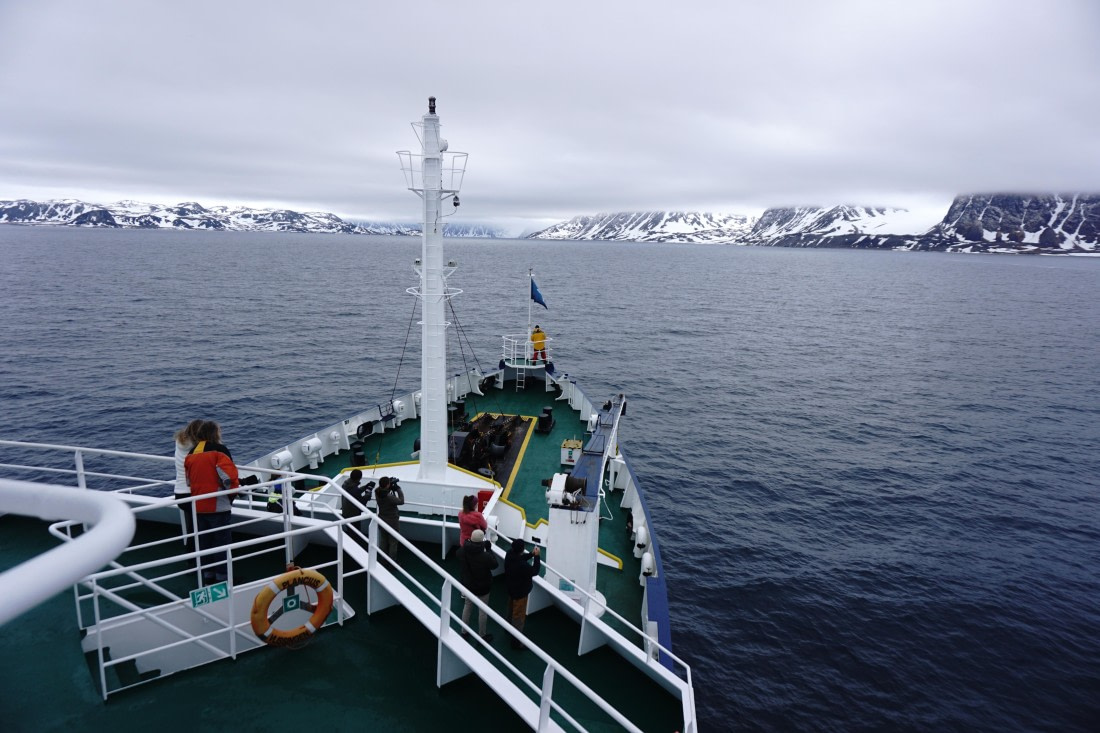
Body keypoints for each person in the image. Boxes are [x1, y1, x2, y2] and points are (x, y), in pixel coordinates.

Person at [184, 420, 239, 586]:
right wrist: (231, 495)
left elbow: (188, 482)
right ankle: (223, 580)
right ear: (215, 433)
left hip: (198, 506)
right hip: (218, 506)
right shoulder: (219, 451)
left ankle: (208, 577)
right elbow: (228, 478)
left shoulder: (191, 454)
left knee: (205, 544)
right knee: (221, 544)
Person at [458, 528, 499, 643]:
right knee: (482, 611)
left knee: (467, 607)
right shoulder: (485, 556)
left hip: (468, 586)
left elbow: (459, 553)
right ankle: (482, 635)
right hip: (483, 587)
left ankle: (464, 632)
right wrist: (489, 550)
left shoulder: (462, 551)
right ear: (481, 542)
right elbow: (495, 565)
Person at [173, 419, 205, 557]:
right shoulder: (197, 447)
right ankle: (195, 560)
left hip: (179, 493)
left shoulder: (179, 443)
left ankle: (192, 558)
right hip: (192, 494)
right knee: (198, 530)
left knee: (193, 529)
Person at [504, 538, 541, 648]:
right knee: (518, 617)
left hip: (511, 589)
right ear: (521, 549)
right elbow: (535, 571)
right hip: (520, 593)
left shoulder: (509, 554)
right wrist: (537, 556)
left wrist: (531, 554)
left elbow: (519, 558)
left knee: (510, 610)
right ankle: (516, 642)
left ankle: (507, 628)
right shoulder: (522, 565)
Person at [340, 469, 375, 545]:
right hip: (353, 515)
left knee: (350, 531)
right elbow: (361, 502)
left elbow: (355, 492)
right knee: (355, 533)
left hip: (345, 512)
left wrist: (365, 486)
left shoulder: (346, 484)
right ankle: (354, 546)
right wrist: (368, 495)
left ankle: (351, 544)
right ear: (359, 478)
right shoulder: (354, 489)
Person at [374, 476, 404, 559]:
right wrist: (398, 489)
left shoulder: (377, 492)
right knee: (393, 543)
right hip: (392, 522)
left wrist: (388, 486)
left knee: (383, 541)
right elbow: (401, 501)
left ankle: (382, 560)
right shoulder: (389, 497)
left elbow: (380, 489)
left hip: (382, 519)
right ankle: (392, 562)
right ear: (387, 485)